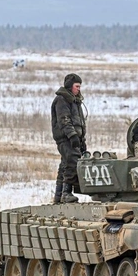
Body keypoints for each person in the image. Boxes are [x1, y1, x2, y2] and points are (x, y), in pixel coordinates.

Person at [51, 73, 87, 203]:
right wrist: (72, 136)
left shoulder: (75, 101)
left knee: (65, 165)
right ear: (69, 86)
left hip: (73, 138)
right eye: (77, 86)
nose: (79, 89)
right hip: (65, 138)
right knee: (73, 162)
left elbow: (80, 123)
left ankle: (58, 196)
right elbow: (64, 120)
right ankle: (66, 193)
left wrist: (82, 141)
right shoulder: (62, 100)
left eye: (79, 86)